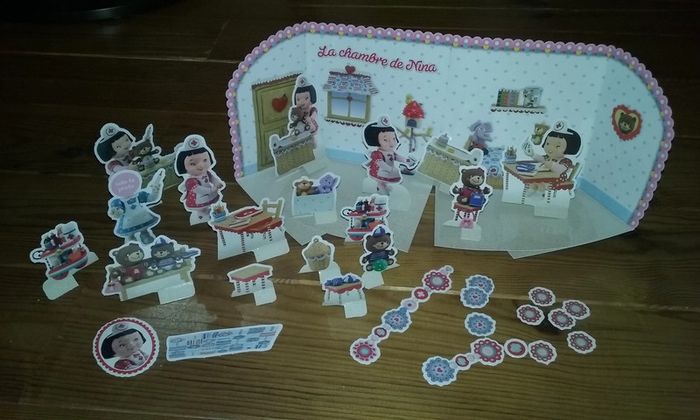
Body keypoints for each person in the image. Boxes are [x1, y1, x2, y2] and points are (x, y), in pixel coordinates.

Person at [174, 135, 225, 224]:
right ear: (183, 166)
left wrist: (217, 183)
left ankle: (209, 213)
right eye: (193, 164)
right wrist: (210, 190)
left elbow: (213, 178)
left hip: (210, 194)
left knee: (211, 205)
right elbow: (198, 189)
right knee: (201, 209)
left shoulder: (207, 173)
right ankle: (201, 216)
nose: (201, 166)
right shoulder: (190, 181)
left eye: (205, 160)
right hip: (198, 199)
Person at [363, 116, 416, 194]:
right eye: (385, 140)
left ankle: (385, 186)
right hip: (379, 171)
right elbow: (380, 162)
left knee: (391, 175)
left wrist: (407, 161)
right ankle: (381, 186)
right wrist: (389, 169)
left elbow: (398, 157)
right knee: (383, 179)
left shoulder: (392, 152)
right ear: (376, 141)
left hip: (390, 170)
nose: (391, 143)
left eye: (393, 139)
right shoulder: (377, 153)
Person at [524, 125, 581, 193]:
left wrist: (548, 163)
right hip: (545, 177)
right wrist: (532, 154)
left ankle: (539, 194)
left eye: (557, 146)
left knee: (541, 184)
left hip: (556, 180)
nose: (550, 148)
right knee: (533, 181)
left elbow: (559, 170)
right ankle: (533, 192)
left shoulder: (566, 161)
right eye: (548, 143)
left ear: (569, 148)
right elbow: (541, 159)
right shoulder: (548, 157)